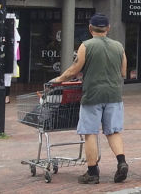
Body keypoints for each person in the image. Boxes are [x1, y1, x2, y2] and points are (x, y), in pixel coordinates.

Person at [50, 13, 128, 185]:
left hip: (92, 95)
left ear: (90, 28)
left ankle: (92, 173)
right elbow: (123, 72)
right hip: (114, 94)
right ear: (108, 28)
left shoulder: (86, 45)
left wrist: (58, 80)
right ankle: (121, 162)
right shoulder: (118, 46)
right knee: (113, 131)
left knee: (90, 133)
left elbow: (74, 69)